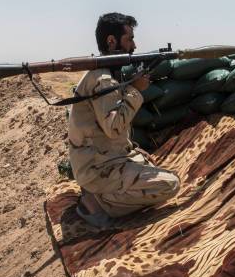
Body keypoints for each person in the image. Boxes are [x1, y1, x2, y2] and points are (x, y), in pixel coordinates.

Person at [67, 12, 180, 230]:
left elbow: (105, 131)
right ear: (111, 41)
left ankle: (100, 192)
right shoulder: (102, 79)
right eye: (129, 39)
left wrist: (131, 149)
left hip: (104, 159)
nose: (134, 45)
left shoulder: (103, 74)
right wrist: (135, 91)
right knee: (170, 184)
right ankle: (97, 203)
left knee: (153, 167)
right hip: (97, 168)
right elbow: (114, 127)